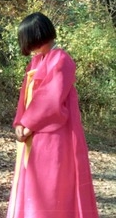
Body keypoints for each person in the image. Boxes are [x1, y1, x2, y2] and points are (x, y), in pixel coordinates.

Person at [6, 12, 98, 218]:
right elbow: (25, 97)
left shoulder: (61, 60)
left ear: (36, 37)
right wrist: (20, 122)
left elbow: (51, 98)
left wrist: (29, 124)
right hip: (33, 134)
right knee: (32, 183)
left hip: (55, 135)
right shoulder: (37, 62)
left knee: (51, 187)